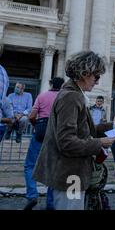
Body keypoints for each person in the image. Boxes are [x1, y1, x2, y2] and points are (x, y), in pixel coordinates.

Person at [33, 51, 115, 210]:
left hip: (70, 171)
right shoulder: (72, 97)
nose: (97, 82)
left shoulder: (74, 94)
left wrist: (114, 125)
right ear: (85, 73)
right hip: (70, 173)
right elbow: (67, 142)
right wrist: (99, 143)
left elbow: (86, 131)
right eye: (96, 76)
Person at [23, 77, 64, 210]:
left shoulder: (42, 96)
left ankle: (32, 195)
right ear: (62, 86)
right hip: (57, 135)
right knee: (54, 168)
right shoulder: (63, 98)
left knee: (30, 165)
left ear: (50, 84)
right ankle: (51, 203)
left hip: (40, 133)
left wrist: (36, 126)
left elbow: (31, 116)